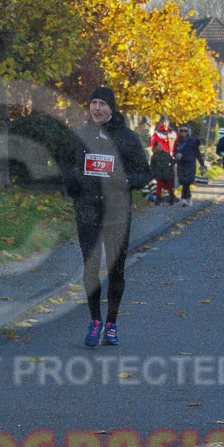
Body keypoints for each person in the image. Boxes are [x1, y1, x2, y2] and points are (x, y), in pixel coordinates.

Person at [61, 87, 151, 348]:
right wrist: (71, 182)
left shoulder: (128, 138)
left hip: (117, 215)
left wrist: (124, 180)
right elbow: (65, 161)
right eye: (93, 103)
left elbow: (144, 173)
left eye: (102, 104)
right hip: (87, 211)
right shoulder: (80, 135)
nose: (97, 108)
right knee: (90, 269)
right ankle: (94, 321)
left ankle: (111, 323)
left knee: (116, 270)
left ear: (112, 108)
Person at [172, 123, 205, 207]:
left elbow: (198, 153)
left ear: (188, 132)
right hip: (181, 164)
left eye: (185, 131)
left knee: (187, 181)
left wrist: (202, 165)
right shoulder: (178, 141)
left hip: (190, 164)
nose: (183, 132)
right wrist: (176, 156)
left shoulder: (193, 141)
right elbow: (174, 151)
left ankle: (184, 199)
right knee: (183, 181)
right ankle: (188, 198)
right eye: (182, 130)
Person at [148, 141, 176, 205]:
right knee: (159, 187)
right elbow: (152, 166)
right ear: (155, 147)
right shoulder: (154, 156)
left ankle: (172, 198)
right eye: (158, 145)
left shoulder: (166, 154)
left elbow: (172, 161)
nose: (160, 146)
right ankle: (158, 199)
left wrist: (170, 169)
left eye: (160, 145)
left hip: (166, 173)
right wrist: (152, 174)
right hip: (158, 174)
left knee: (169, 186)